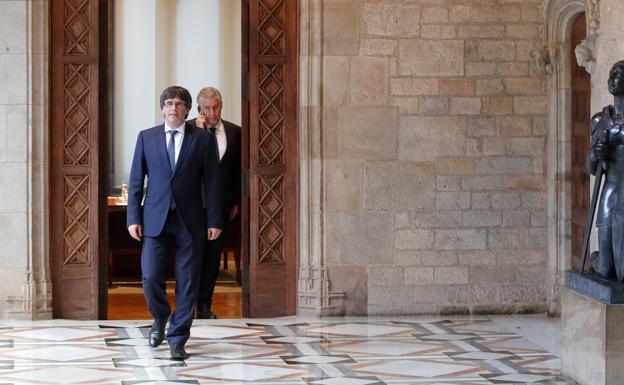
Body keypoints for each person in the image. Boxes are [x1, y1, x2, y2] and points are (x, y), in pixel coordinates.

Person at [126, 86, 222, 360]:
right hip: (155, 220)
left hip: (190, 222)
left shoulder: (203, 140)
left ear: (188, 110)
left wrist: (214, 219)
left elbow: (213, 183)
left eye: (179, 104)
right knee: (151, 276)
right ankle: (160, 318)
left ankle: (178, 338)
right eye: (169, 103)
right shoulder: (147, 138)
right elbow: (136, 181)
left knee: (188, 282)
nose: (173, 108)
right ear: (162, 108)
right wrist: (133, 217)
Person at [188, 87, 241, 319]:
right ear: (200, 109)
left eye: (216, 107)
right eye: (207, 108)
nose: (212, 112)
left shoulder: (235, 132)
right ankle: (186, 307)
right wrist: (200, 133)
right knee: (190, 257)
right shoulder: (188, 130)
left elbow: (238, 170)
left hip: (220, 207)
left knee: (212, 259)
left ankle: (205, 306)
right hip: (191, 205)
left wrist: (236, 201)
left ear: (221, 105)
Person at [587, 60, 624, 280]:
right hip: (610, 191)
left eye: (618, 73)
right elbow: (591, 168)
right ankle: (596, 257)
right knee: (606, 269)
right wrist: (596, 154)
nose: (612, 78)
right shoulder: (600, 121)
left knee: (622, 271)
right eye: (611, 74)